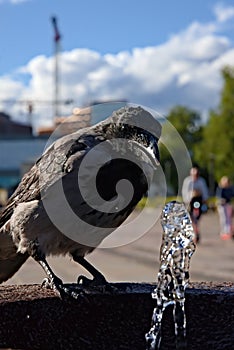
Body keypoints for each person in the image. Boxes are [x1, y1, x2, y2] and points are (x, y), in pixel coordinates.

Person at [182, 166, 209, 243]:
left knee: (196, 218)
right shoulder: (187, 181)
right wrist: (189, 197)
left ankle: (195, 231)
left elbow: (204, 191)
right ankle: (194, 233)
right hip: (190, 202)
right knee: (192, 218)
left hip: (198, 202)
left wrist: (204, 199)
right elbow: (185, 192)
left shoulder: (201, 181)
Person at [216, 176, 234, 240]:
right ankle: (223, 231)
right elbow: (219, 197)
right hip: (222, 205)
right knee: (223, 218)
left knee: (228, 218)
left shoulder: (230, 188)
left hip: (228, 205)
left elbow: (231, 195)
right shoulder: (220, 189)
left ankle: (228, 231)